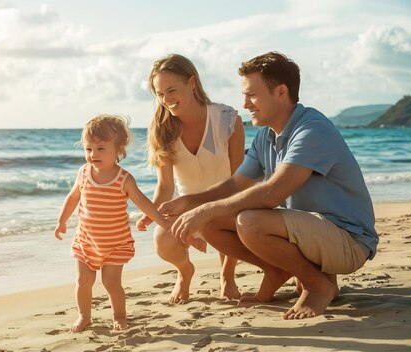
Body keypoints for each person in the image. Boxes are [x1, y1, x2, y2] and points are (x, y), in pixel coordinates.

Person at [162, 51, 378, 319]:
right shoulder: (266, 136)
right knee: (211, 222)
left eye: (252, 95)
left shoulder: (312, 130)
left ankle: (317, 284)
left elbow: (272, 193)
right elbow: (234, 186)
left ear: (280, 92)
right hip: (316, 234)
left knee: (249, 221)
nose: (245, 104)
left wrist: (206, 209)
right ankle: (279, 271)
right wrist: (191, 202)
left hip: (350, 241)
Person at [136, 53, 245, 303]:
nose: (166, 100)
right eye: (160, 94)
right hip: (189, 209)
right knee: (162, 240)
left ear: (192, 83)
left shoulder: (228, 121)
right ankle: (184, 272)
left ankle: (227, 275)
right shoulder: (162, 129)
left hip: (226, 205)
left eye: (171, 90)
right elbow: (165, 186)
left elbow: (240, 181)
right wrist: (151, 211)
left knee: (241, 221)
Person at [55, 114, 172, 332]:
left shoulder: (124, 179)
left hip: (115, 244)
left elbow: (143, 203)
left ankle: (119, 315)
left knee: (111, 283)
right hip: (86, 241)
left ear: (118, 150)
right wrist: (62, 221)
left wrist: (162, 222)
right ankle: (84, 316)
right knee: (83, 282)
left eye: (100, 148)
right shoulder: (83, 173)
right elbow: (73, 197)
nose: (93, 154)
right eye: (88, 149)